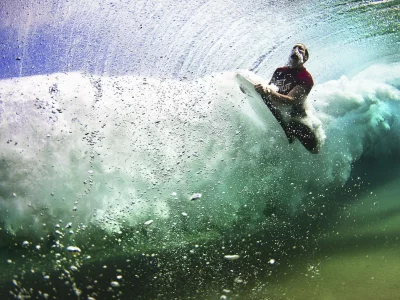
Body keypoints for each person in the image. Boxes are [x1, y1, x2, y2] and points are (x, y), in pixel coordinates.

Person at [254, 43, 319, 154]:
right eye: (294, 48)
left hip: (294, 116)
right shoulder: (279, 71)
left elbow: (291, 100)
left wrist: (268, 91)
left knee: (312, 147)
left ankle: (309, 143)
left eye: (300, 49)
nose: (296, 50)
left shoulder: (306, 77)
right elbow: (269, 88)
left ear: (305, 58)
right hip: (277, 109)